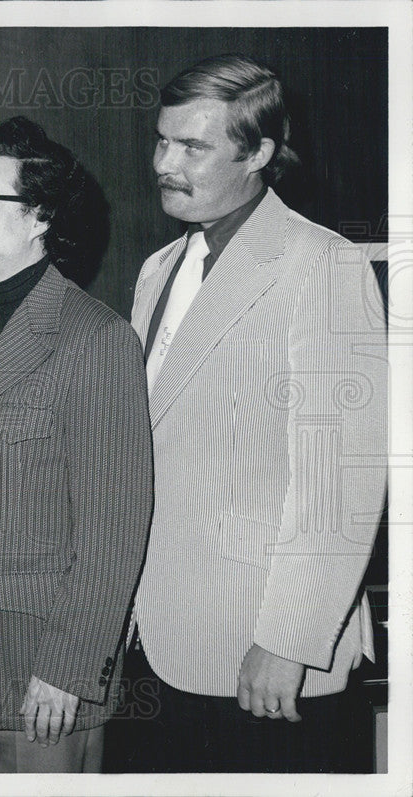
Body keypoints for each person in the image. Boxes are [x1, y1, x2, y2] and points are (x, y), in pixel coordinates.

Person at [128, 54, 387, 772]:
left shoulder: (321, 264)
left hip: (267, 653)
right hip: (164, 642)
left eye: (193, 147)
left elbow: (340, 477)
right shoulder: (158, 268)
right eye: (161, 140)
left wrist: (290, 638)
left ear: (260, 153)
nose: (164, 163)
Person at [0, 116, 154, 774]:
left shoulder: (97, 338)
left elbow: (115, 527)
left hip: (42, 675)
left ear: (42, 215)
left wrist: (70, 668)